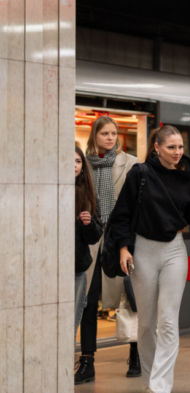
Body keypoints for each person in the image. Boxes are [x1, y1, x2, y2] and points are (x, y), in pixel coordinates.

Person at [109, 125, 190, 393]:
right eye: (171, 147)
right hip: (143, 251)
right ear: (157, 147)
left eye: (180, 147)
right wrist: (124, 248)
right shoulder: (140, 173)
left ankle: (162, 386)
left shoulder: (185, 176)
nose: (177, 152)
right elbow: (122, 213)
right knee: (147, 323)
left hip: (175, 249)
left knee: (167, 320)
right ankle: (149, 380)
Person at [77, 116, 140, 385]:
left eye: (114, 133)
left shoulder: (131, 163)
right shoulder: (83, 163)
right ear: (95, 135)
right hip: (92, 235)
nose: (110, 138)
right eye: (104, 133)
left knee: (130, 297)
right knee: (88, 300)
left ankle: (136, 353)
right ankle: (87, 361)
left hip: (121, 237)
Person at [75, 146, 104, 341]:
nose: (74, 165)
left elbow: (95, 236)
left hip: (77, 268)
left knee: (72, 322)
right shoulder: (47, 191)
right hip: (49, 269)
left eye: (78, 161)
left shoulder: (88, 194)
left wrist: (88, 224)